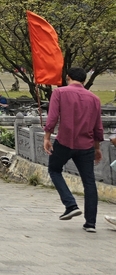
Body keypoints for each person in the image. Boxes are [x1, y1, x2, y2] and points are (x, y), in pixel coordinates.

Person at [42, 67, 103, 232]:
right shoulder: (94, 99)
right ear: (84, 80)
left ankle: (70, 204)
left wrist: (47, 137)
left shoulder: (60, 93)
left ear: (67, 77)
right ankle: (91, 223)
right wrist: (97, 148)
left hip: (65, 141)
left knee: (54, 170)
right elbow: (98, 127)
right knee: (89, 182)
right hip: (86, 145)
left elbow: (53, 117)